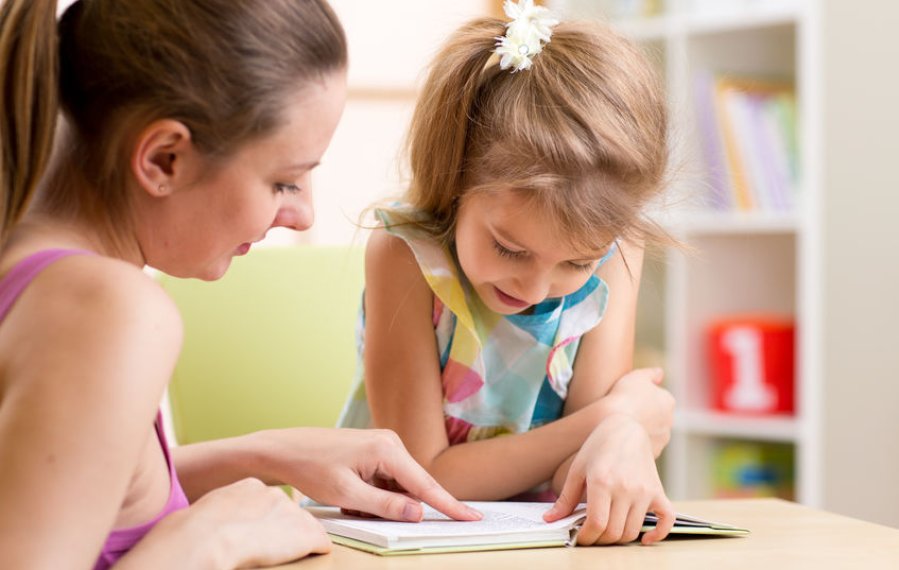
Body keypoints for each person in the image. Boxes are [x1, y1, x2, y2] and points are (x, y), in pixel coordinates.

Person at [0, 1, 481, 568]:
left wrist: (267, 453)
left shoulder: (29, 263)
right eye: (283, 181)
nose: (301, 215)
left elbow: (61, 488)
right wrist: (209, 543)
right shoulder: (111, 312)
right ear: (163, 159)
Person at [339, 0, 678, 546]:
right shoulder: (403, 255)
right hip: (402, 538)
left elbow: (580, 473)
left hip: (541, 542)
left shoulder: (619, 249)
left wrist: (620, 436)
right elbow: (424, 477)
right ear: (455, 180)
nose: (536, 288)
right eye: (511, 249)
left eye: (576, 263)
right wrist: (616, 417)